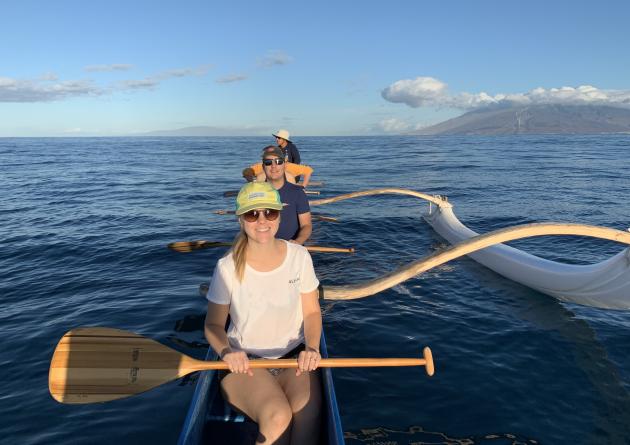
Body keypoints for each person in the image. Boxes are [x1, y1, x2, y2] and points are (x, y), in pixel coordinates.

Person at [204, 181, 323, 445]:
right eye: (252, 213)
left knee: (307, 415)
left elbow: (312, 313)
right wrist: (226, 352)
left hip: (294, 359)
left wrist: (312, 348)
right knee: (278, 416)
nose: (262, 221)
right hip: (245, 363)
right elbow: (213, 325)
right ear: (240, 219)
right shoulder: (226, 267)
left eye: (269, 212)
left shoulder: (299, 257)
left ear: (279, 215)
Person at [261, 145, 312, 245]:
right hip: (263, 249)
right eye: (268, 162)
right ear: (263, 167)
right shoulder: (255, 193)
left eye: (278, 161)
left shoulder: (298, 193)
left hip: (291, 249)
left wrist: (297, 242)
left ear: (285, 165)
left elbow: (306, 225)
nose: (273, 166)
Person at [248, 153, 314, 188]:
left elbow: (308, 170)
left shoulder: (290, 168)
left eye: (278, 161)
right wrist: (254, 184)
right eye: (269, 161)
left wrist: (303, 187)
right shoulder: (262, 167)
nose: (274, 166)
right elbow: (247, 172)